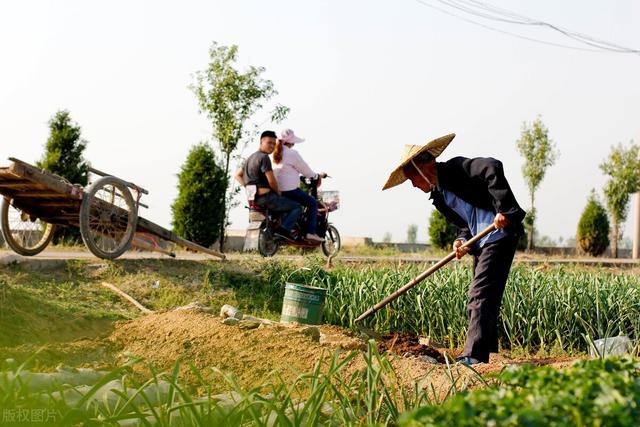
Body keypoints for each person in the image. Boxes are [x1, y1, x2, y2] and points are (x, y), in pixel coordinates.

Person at [382, 133, 525, 365]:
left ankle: (473, 356)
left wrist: (504, 208)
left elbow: (492, 166)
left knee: (479, 295)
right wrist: (461, 240)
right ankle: (488, 349)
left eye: (412, 180)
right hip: (482, 242)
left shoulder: (456, 169)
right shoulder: (439, 197)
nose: (414, 186)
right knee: (484, 295)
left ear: (422, 168)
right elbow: (464, 224)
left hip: (499, 235)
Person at [235, 130, 302, 240]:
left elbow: (237, 175)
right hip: (267, 198)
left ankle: (275, 230)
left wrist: (249, 188)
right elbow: (271, 181)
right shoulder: (264, 158)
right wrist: (278, 192)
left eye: (273, 143)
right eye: (269, 142)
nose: (272, 146)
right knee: (296, 207)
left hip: (254, 200)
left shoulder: (250, 158)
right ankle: (284, 231)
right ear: (261, 142)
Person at [271, 128, 327, 243]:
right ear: (291, 142)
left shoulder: (275, 153)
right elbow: (305, 170)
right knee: (312, 203)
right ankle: (310, 233)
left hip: (278, 189)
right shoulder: (292, 153)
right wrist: (316, 176)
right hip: (290, 190)